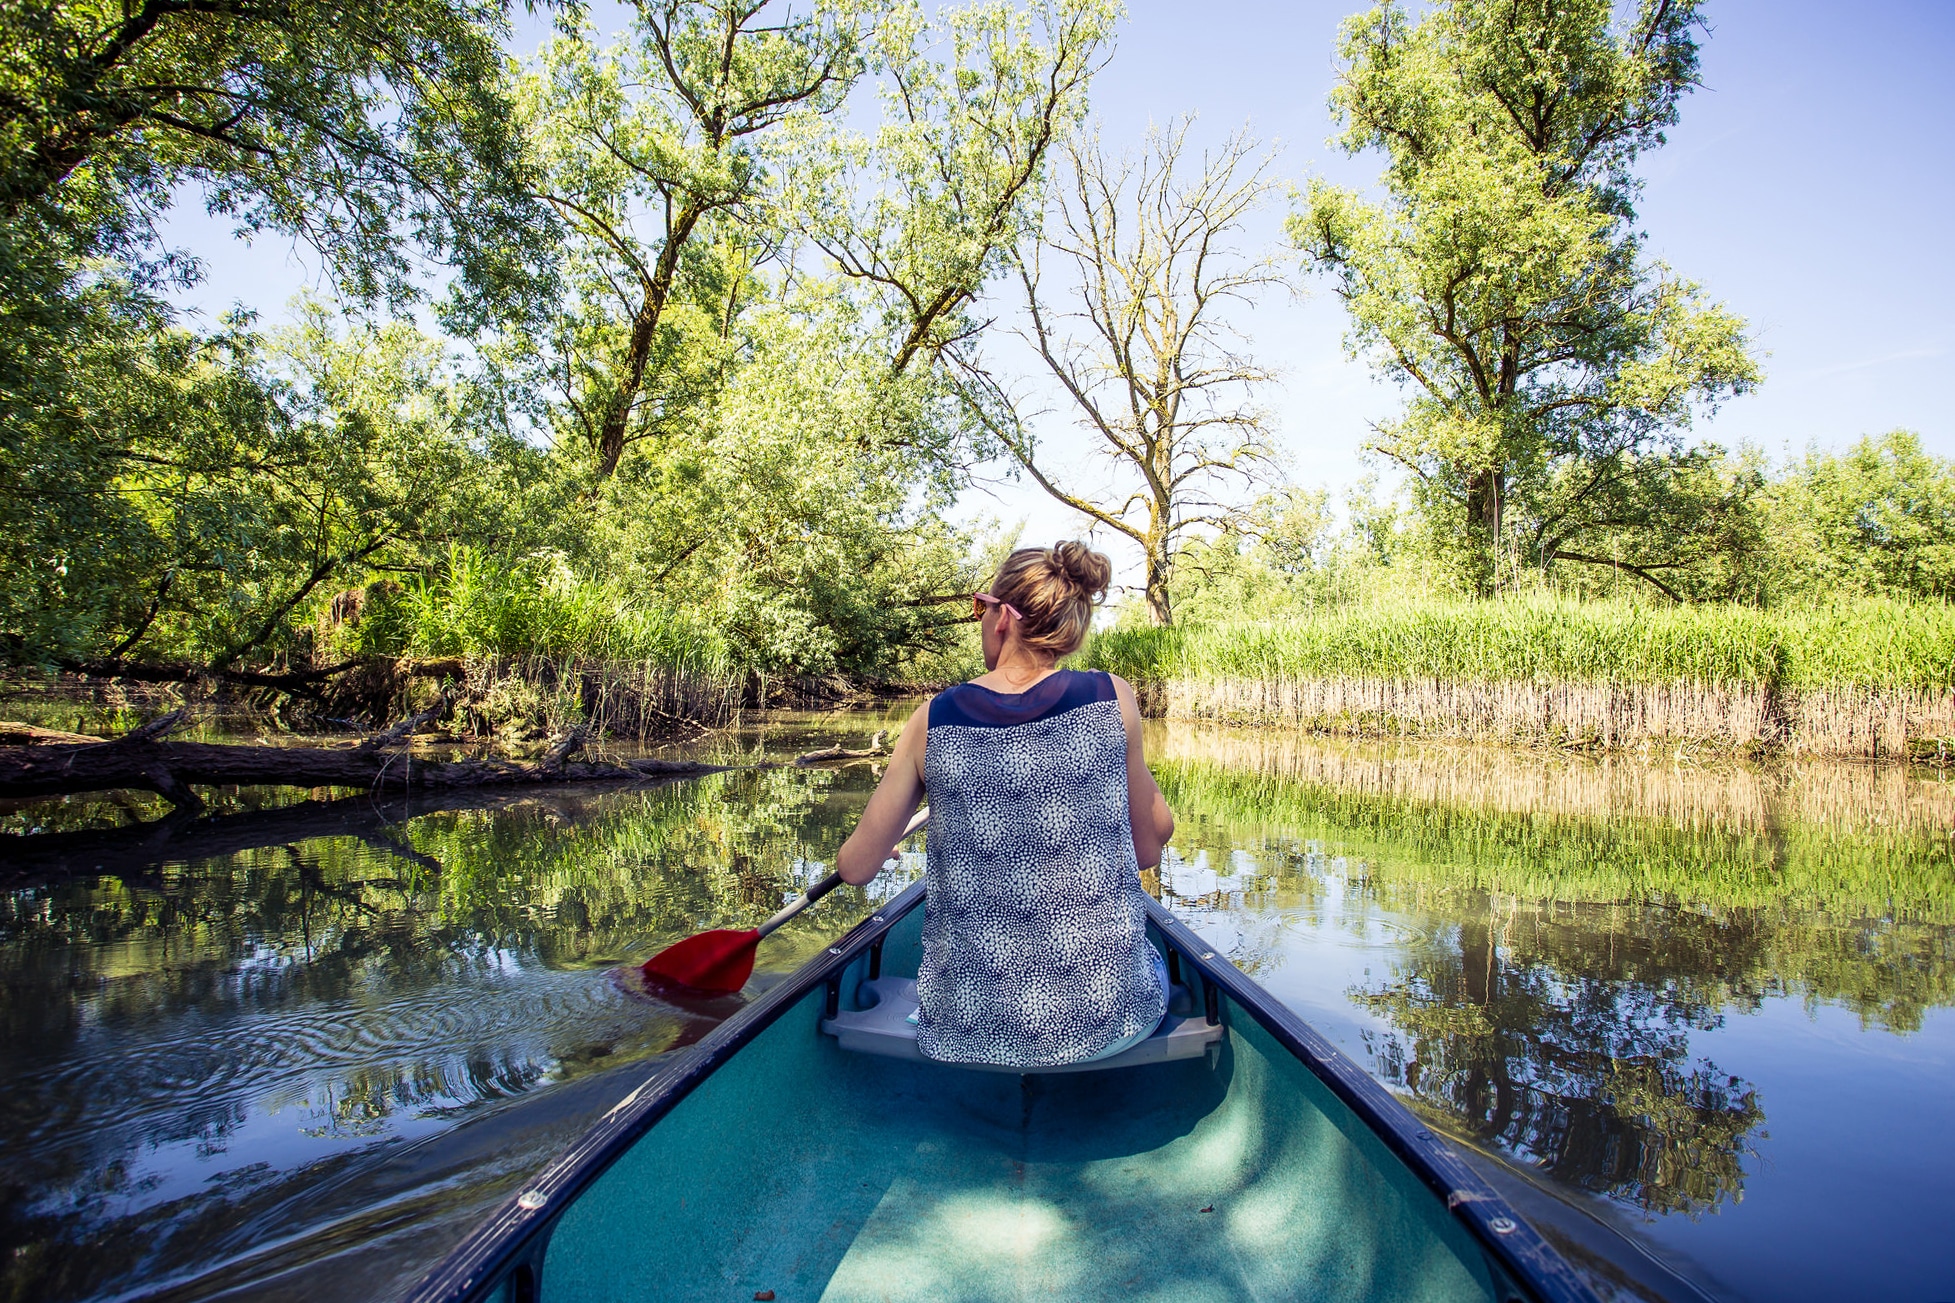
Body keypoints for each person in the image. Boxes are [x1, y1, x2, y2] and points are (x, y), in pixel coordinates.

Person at [834, 541, 1177, 1069]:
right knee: (1152, 960)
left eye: (980, 607)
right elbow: (1149, 848)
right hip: (1111, 1022)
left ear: (1002, 619)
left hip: (962, 1030)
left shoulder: (933, 719)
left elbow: (856, 867)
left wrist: (885, 845)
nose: (980, 621)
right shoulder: (1115, 697)